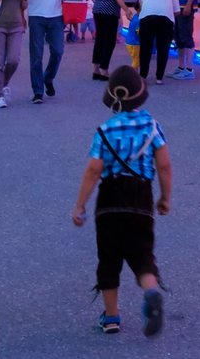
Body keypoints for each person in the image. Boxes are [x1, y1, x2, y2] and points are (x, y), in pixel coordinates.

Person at [72, 65, 172, 337]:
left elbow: (94, 170)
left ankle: (112, 317)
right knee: (142, 254)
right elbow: (164, 166)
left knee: (109, 256)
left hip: (110, 199)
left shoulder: (105, 130)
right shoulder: (152, 126)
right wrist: (164, 197)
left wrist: (80, 205)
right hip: (141, 196)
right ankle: (151, 291)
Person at [23, 0, 73, 103]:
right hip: (36, 15)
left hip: (56, 15)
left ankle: (48, 78)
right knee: (36, 55)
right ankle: (38, 91)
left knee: (58, 51)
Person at [132, 0, 178, 84]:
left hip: (147, 17)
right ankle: (159, 77)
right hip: (166, 19)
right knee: (163, 48)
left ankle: (143, 76)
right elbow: (177, 10)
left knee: (146, 47)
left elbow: (141, 3)